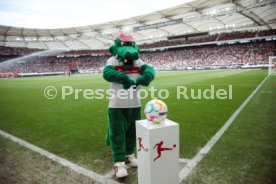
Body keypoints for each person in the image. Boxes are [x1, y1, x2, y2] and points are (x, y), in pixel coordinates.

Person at [103, 32, 155, 178]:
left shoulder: (138, 62)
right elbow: (106, 73)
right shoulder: (113, 60)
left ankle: (129, 156)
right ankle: (119, 162)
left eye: (130, 45)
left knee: (133, 132)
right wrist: (123, 78)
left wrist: (146, 77)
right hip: (117, 105)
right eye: (125, 45)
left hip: (135, 104)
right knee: (117, 134)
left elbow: (150, 70)